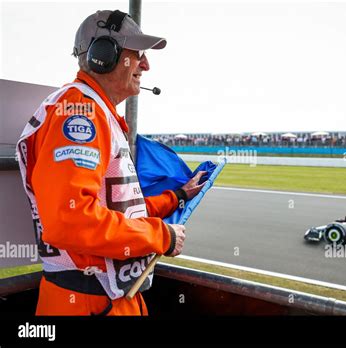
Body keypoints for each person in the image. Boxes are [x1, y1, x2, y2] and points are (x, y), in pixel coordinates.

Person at [16, 9, 206, 316]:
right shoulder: (80, 113)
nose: (146, 65)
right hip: (88, 303)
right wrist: (159, 235)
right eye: (138, 54)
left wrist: (179, 196)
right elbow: (70, 220)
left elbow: (119, 209)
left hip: (106, 298)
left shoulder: (95, 112)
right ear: (103, 55)